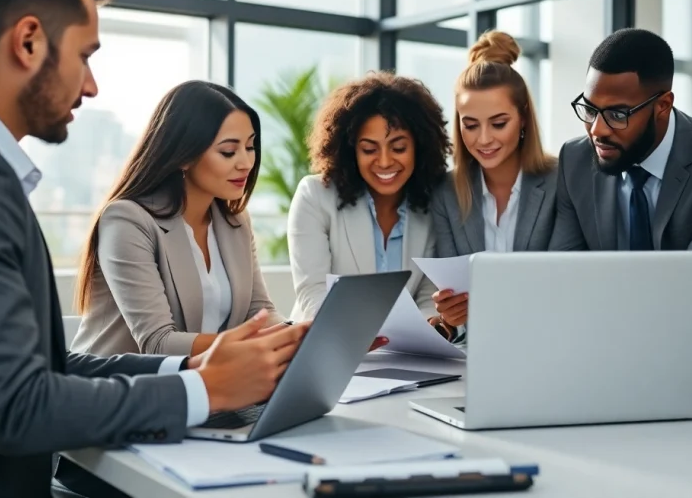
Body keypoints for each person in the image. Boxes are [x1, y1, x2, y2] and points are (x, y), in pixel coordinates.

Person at [0, 0, 308, 497]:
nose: (92, 85)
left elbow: (48, 369)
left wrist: (199, 370)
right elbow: (16, 407)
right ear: (28, 42)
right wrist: (206, 391)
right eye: (85, 56)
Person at [71, 81, 288, 358]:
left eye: (250, 147)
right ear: (184, 156)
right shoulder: (127, 221)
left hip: (203, 379)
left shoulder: (234, 221)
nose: (246, 163)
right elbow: (158, 342)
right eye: (228, 152)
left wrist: (298, 332)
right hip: (119, 382)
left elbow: (259, 312)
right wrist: (253, 345)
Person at [287, 72, 451, 321]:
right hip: (328, 338)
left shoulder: (433, 205)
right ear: (350, 150)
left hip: (406, 344)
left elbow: (429, 296)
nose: (384, 162)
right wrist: (363, 337)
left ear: (419, 147)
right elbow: (314, 293)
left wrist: (427, 327)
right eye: (369, 149)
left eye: (398, 148)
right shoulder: (315, 196)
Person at [428, 31, 558, 342]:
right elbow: (454, 308)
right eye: (470, 125)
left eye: (499, 123)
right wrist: (451, 318)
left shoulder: (561, 181)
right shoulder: (446, 192)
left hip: (549, 344)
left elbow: (566, 284)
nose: (484, 139)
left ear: (523, 117)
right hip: (478, 351)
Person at [549, 28, 692, 253]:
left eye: (617, 114)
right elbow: (565, 267)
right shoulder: (575, 160)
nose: (596, 130)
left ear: (663, 106)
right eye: (590, 110)